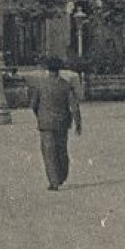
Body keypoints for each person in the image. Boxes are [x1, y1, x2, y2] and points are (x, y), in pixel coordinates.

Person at [29, 55, 82, 191]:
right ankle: (62, 175)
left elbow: (33, 104)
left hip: (45, 123)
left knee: (48, 152)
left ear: (48, 70)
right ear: (59, 70)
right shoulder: (65, 86)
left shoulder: (40, 85)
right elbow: (74, 106)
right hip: (62, 122)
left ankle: (53, 181)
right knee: (61, 150)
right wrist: (78, 123)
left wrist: (39, 115)